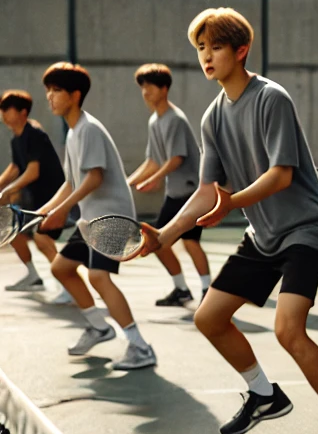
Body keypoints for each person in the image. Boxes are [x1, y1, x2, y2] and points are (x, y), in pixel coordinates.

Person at [143, 8, 318, 434]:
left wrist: (231, 203)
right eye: (200, 49)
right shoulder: (212, 117)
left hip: (304, 229)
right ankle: (264, 395)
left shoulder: (272, 99)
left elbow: (282, 174)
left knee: (289, 330)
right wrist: (165, 235)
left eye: (215, 47)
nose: (206, 56)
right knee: (209, 318)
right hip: (262, 234)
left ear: (240, 50)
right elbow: (207, 190)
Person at [37, 64, 157, 371]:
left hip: (112, 219)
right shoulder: (75, 131)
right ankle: (99, 327)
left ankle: (140, 346)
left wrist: (61, 211)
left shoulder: (88, 129)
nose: (49, 97)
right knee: (61, 268)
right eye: (48, 90)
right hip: (91, 220)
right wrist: (45, 209)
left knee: (97, 276)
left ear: (75, 95)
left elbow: (93, 178)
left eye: (57, 91)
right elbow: (71, 182)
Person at [127, 63, 210, 306]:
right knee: (161, 242)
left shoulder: (175, 119)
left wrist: (153, 179)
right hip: (175, 193)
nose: (145, 93)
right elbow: (153, 160)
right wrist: (126, 182)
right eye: (142, 88)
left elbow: (176, 158)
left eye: (149, 87)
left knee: (186, 242)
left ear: (164, 89)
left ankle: (206, 291)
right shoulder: (155, 121)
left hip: (190, 191)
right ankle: (182, 289)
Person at [0, 89, 69, 297]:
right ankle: (33, 276)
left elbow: (33, 170)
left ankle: (68, 284)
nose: (2, 113)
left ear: (22, 112)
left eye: (6, 109)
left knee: (42, 240)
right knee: (10, 230)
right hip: (33, 198)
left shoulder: (34, 134)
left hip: (51, 197)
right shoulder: (17, 138)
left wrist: (10, 189)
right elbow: (15, 167)